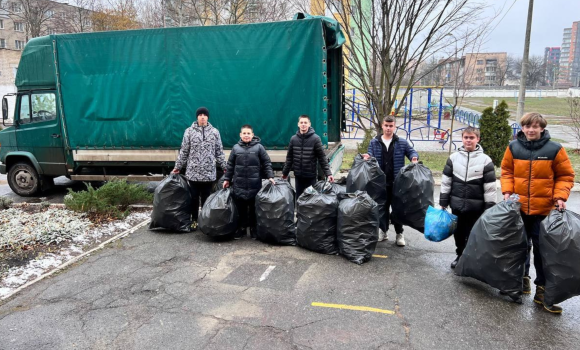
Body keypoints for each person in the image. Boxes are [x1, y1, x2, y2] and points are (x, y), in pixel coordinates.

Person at [501, 112, 575, 314]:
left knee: (543, 253)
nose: (531, 130)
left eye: (535, 126)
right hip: (519, 209)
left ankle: (542, 291)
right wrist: (507, 191)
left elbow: (566, 175)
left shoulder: (554, 149)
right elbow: (506, 171)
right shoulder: (513, 147)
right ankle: (520, 281)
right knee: (519, 247)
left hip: (544, 211)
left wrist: (560, 196)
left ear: (542, 128)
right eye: (527, 126)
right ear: (522, 128)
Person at [439, 127, 496, 269]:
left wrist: (490, 207)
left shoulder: (485, 160)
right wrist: (443, 202)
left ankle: (471, 259)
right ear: (462, 139)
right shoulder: (453, 158)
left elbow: (490, 187)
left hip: (476, 207)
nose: (468, 140)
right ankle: (460, 255)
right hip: (457, 205)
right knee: (458, 233)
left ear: (478, 139)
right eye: (466, 137)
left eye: (471, 138)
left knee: (473, 234)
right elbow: (446, 181)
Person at [363, 116, 418, 247]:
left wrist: (414, 157)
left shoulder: (402, 142)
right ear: (382, 126)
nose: (388, 128)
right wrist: (367, 156)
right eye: (386, 126)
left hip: (397, 182)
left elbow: (411, 151)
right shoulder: (374, 142)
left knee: (398, 208)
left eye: (391, 126)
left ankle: (399, 234)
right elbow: (370, 154)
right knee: (382, 208)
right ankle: (384, 231)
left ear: (394, 127)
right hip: (380, 183)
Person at [173, 107, 227, 231]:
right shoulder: (189, 131)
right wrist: (177, 167)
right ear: (197, 117)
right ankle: (194, 220)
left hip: (209, 173)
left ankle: (205, 220)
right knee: (193, 198)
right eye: (200, 114)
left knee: (207, 198)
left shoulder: (214, 132)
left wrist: (225, 167)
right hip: (193, 172)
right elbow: (184, 151)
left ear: (208, 117)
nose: (202, 116)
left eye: (205, 115)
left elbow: (219, 152)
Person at [224, 125, 275, 240]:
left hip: (254, 185)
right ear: (240, 135)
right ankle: (241, 229)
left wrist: (270, 176)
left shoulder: (259, 148)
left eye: (248, 133)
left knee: (253, 208)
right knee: (240, 208)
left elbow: (266, 163)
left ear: (252, 135)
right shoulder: (235, 148)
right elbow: (230, 165)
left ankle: (253, 229)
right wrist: (227, 179)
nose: (246, 135)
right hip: (239, 184)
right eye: (244, 133)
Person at [282, 115, 334, 199]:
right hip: (298, 176)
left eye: (305, 122)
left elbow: (322, 158)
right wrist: (285, 173)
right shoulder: (293, 139)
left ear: (309, 124)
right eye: (301, 122)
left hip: (311, 176)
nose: (303, 124)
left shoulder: (316, 139)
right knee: (299, 199)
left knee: (311, 201)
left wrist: (328, 174)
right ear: (298, 124)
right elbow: (289, 159)